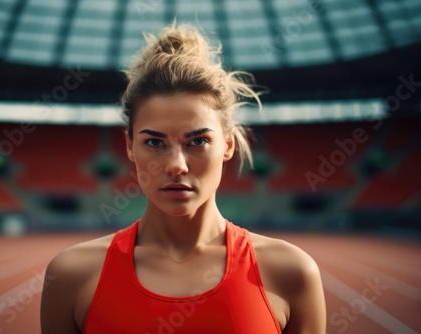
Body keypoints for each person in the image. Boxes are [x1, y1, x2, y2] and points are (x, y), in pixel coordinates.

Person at [40, 22, 326, 334]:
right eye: (154, 142)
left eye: (198, 141)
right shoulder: (72, 275)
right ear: (129, 146)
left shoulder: (291, 273)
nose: (176, 165)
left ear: (227, 145)